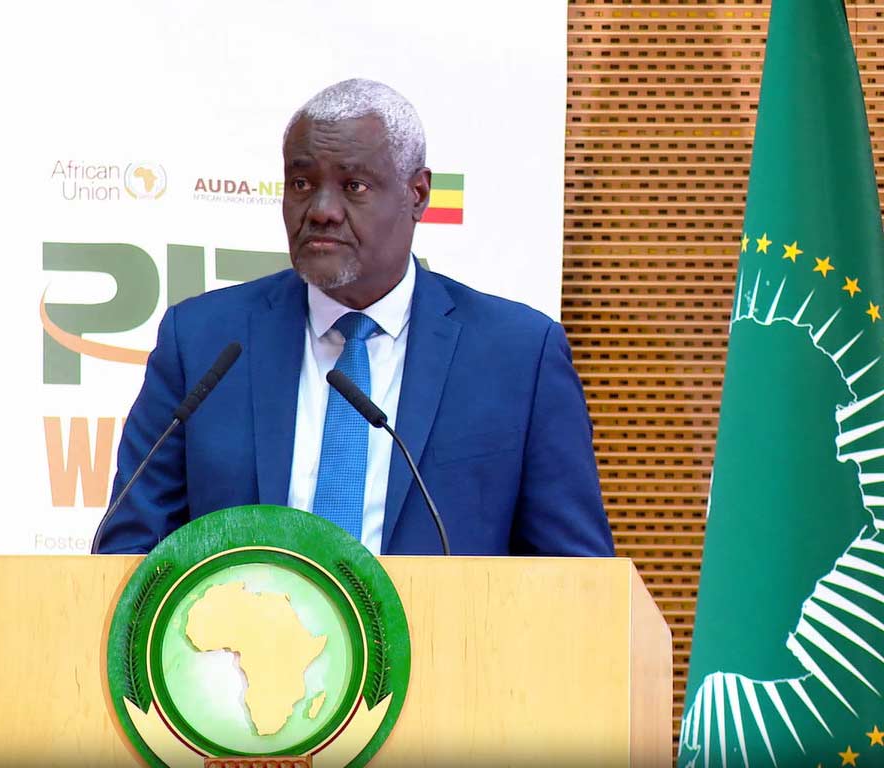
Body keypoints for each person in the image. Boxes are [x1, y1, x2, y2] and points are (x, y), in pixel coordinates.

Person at [94, 78, 614, 557]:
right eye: (301, 183)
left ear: (417, 194)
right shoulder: (202, 342)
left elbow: (576, 577)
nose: (321, 209)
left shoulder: (518, 356)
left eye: (354, 186)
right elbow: (126, 550)